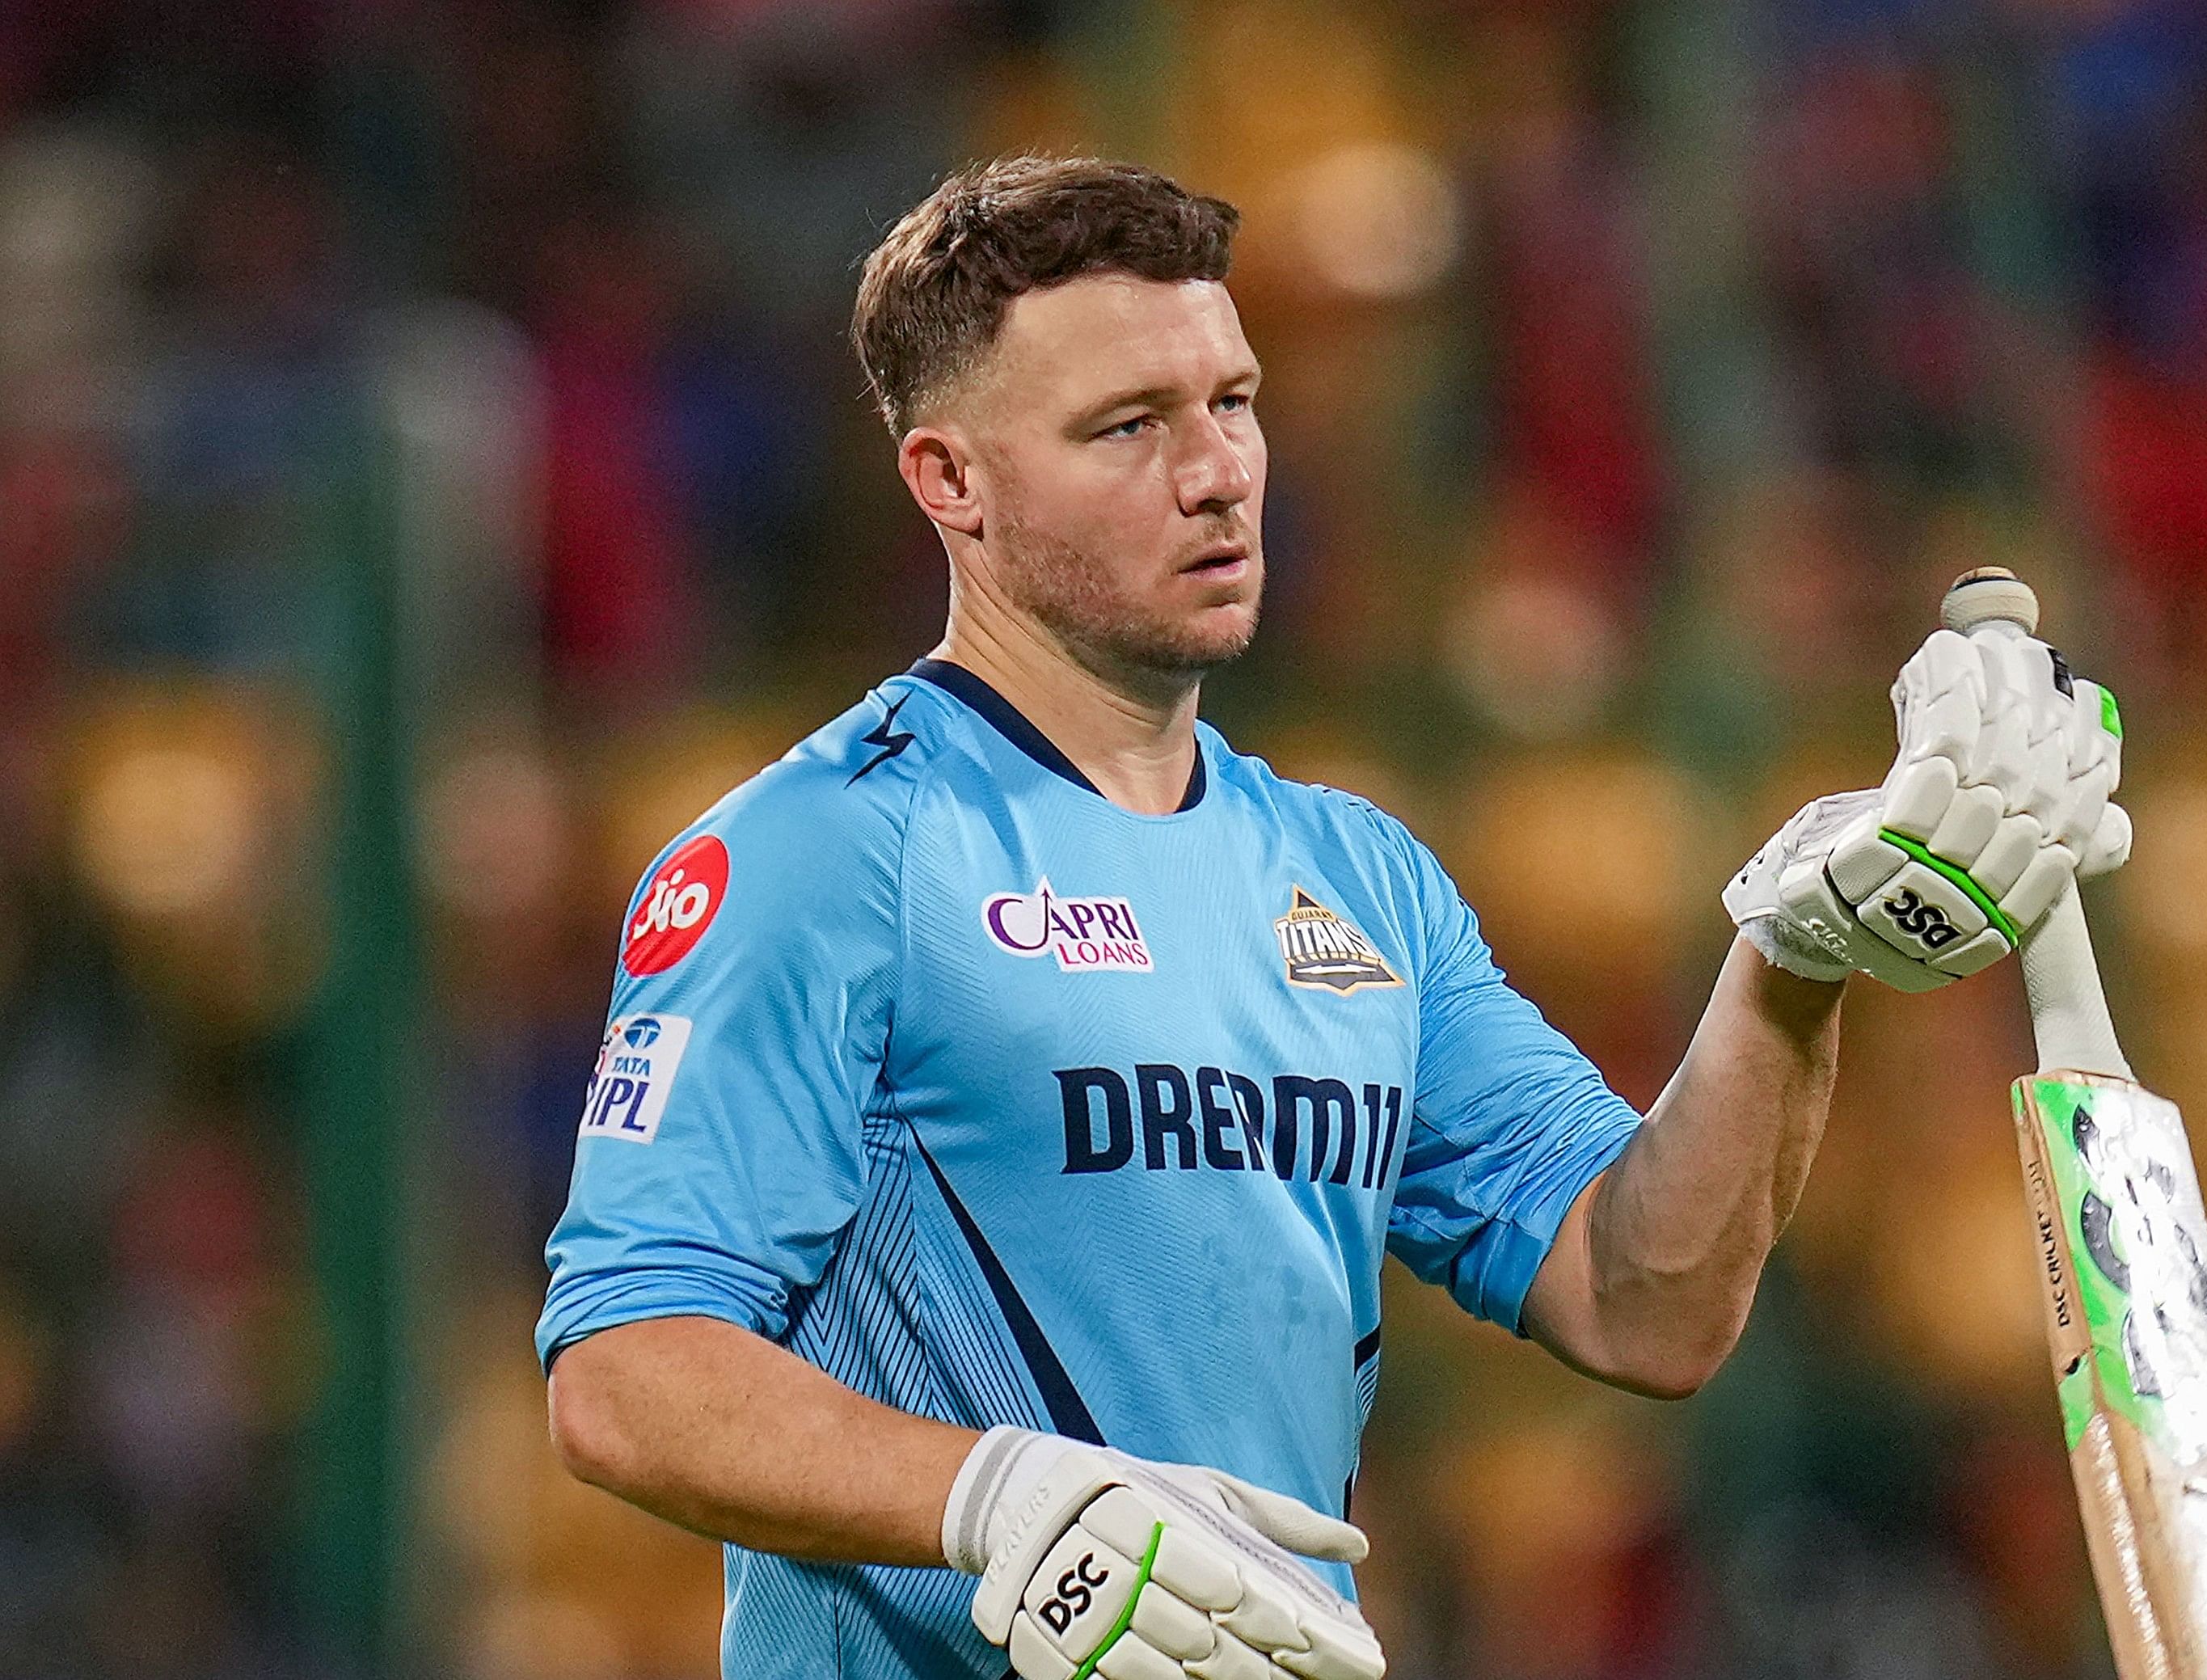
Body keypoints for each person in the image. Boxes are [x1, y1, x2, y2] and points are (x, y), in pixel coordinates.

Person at [535, 155, 2126, 1680]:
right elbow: (620, 1372)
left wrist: (1787, 962)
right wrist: (993, 1495)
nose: (1216, 470)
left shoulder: (1354, 879)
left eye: (1230, 403)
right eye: (1125, 426)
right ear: (950, 481)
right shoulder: (824, 854)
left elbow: (1641, 1297)